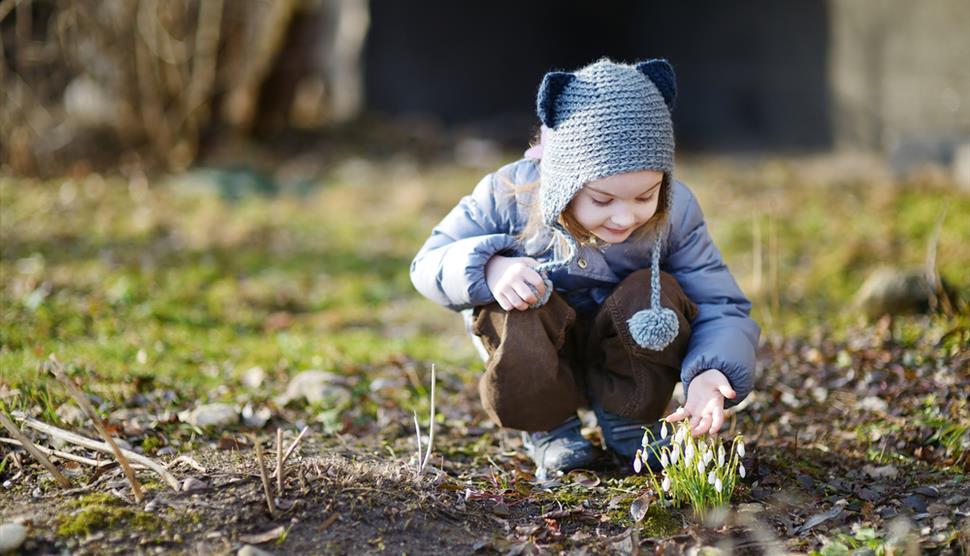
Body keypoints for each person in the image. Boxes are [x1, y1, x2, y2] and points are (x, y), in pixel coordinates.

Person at [409, 58, 760, 478]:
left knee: (658, 291)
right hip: (540, 356)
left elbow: (719, 302)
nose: (625, 217)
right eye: (603, 200)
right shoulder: (508, 195)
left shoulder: (675, 211)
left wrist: (712, 370)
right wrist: (490, 270)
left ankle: (630, 420)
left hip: (626, 356)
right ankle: (550, 430)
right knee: (518, 298)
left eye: (645, 196)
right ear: (563, 181)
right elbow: (427, 263)